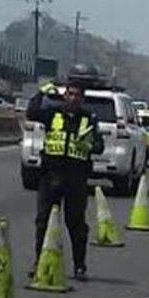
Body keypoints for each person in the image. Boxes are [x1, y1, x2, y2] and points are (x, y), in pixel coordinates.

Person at [26, 66, 105, 281]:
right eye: (69, 94)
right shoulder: (53, 113)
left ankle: (80, 266)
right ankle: (38, 262)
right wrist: (41, 92)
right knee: (43, 221)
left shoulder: (88, 119)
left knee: (76, 223)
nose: (73, 98)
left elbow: (99, 146)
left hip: (76, 178)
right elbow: (31, 112)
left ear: (82, 98)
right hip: (50, 174)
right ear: (64, 95)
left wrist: (88, 144)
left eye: (77, 95)